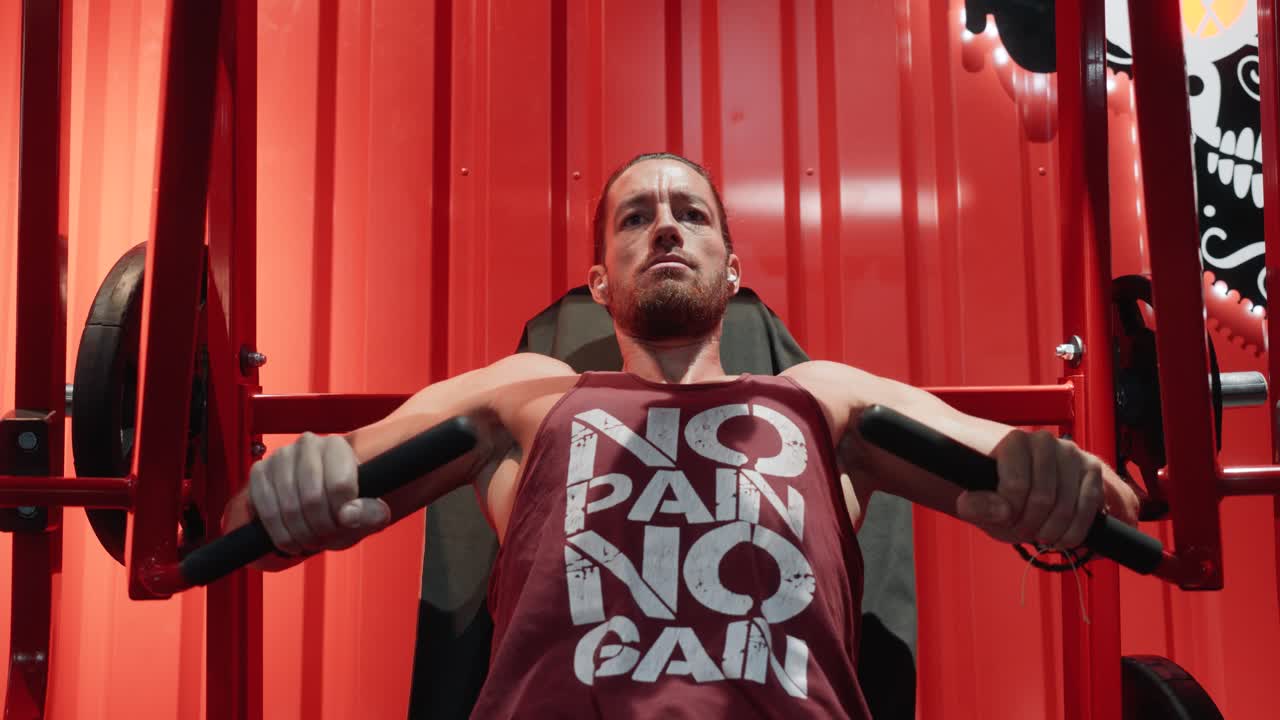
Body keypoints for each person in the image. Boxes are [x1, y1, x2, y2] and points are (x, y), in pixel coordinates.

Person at [223, 152, 1139, 718]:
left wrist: (1047, 475)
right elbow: (262, 519)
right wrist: (292, 485)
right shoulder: (530, 394)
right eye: (636, 216)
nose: (665, 224)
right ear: (598, 280)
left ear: (732, 272)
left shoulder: (821, 399)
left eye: (690, 213)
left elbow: (1076, 484)